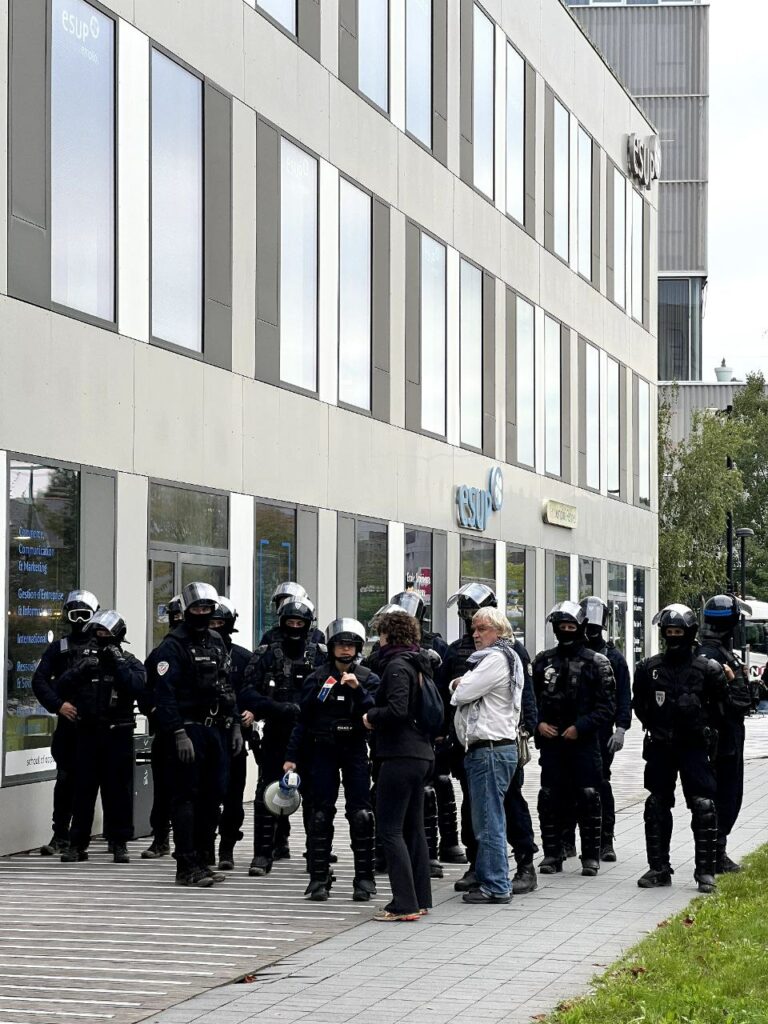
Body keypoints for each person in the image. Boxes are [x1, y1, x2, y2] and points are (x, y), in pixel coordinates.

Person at [151, 582, 241, 888]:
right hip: (188, 728)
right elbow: (164, 694)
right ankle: (186, 865)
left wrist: (235, 724)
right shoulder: (172, 646)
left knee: (213, 797)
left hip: (216, 729)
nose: (203, 613)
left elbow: (227, 684)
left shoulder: (216, 641)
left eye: (207, 608)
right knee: (185, 796)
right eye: (197, 608)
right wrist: (178, 732)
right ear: (186, 611)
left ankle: (203, 860)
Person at [633, 604, 728, 894]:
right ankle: (659, 868)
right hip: (661, 745)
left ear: (690, 632)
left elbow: (721, 708)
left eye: (678, 631)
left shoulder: (708, 669)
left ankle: (705, 871)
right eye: (669, 631)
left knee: (703, 806)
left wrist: (703, 729)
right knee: (656, 804)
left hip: (694, 746)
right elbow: (641, 705)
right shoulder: (649, 668)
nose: (674, 636)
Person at [284, 618, 379, 902]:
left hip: (355, 750)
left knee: (361, 814)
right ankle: (318, 877)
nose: (345, 650)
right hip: (322, 750)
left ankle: (364, 878)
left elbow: (376, 713)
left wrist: (357, 689)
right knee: (320, 814)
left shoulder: (368, 678)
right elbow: (303, 719)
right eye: (341, 644)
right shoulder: (316, 678)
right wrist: (291, 757)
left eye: (351, 645)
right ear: (332, 647)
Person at [241, 596, 326, 876]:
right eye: (290, 622)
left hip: (312, 735)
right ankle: (263, 854)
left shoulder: (320, 654)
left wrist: (309, 710)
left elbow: (334, 687)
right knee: (267, 792)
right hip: (277, 731)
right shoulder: (267, 653)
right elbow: (247, 691)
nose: (295, 627)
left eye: (300, 623)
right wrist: (275, 707)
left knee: (315, 796)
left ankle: (317, 854)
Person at [532, 602, 616, 877]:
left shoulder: (597, 662)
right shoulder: (543, 661)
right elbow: (530, 701)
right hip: (552, 743)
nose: (566, 631)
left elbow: (607, 707)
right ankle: (552, 854)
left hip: (584, 743)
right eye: (562, 627)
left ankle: (590, 856)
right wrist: (538, 724)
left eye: (571, 626)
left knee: (589, 796)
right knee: (549, 797)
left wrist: (580, 727)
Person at [57, 610, 146, 863]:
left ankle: (119, 843)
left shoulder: (129, 661)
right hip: (87, 732)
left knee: (118, 790)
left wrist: (118, 663)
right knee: (83, 790)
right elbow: (61, 687)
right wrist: (80, 669)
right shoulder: (85, 661)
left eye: (106, 631)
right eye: (98, 631)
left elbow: (137, 687)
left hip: (118, 733)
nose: (101, 635)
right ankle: (77, 844)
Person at [449, 608, 524, 904]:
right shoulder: (502, 656)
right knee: (488, 818)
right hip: (493, 750)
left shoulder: (495, 659)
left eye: (482, 629)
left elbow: (461, 693)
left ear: (499, 631)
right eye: (473, 629)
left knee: (488, 820)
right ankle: (489, 878)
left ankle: (495, 885)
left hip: (490, 750)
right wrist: (460, 684)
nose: (475, 634)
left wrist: (458, 684)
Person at [364, 611, 434, 922]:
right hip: (421, 754)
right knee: (413, 828)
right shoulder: (419, 662)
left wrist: (370, 717)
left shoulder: (396, 666)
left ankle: (403, 903)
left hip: (399, 755)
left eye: (380, 635)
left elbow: (397, 709)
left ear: (388, 635)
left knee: (390, 829)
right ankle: (420, 898)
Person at [561, 597, 632, 862]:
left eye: (594, 628)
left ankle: (604, 840)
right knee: (567, 784)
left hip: (600, 731)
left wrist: (621, 728)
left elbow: (623, 696)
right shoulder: (568, 654)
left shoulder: (613, 658)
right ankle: (567, 840)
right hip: (570, 729)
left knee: (599, 784)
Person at [32, 589, 100, 856]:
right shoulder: (58, 648)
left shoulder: (106, 644)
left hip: (98, 725)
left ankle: (109, 839)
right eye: (74, 615)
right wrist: (58, 705)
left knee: (102, 782)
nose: (80, 620)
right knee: (65, 780)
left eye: (84, 614)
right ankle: (60, 834)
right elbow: (39, 680)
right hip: (69, 725)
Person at [439, 584, 498, 889]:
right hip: (463, 739)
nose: (473, 626)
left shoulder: (508, 651)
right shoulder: (454, 650)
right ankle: (475, 863)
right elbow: (442, 694)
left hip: (497, 739)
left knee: (504, 804)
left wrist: (526, 729)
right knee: (470, 803)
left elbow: (524, 697)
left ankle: (521, 861)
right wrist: (442, 733)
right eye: (468, 616)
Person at [698, 594, 755, 873]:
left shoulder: (703, 653)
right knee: (727, 796)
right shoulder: (719, 658)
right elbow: (740, 703)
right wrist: (738, 681)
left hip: (714, 737)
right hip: (724, 738)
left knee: (716, 796)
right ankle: (716, 852)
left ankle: (713, 852)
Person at [208, 597, 253, 871]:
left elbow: (254, 691)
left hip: (235, 736)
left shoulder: (244, 658)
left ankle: (227, 848)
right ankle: (205, 848)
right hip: (205, 734)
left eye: (219, 622)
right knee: (207, 796)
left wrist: (252, 712)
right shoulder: (189, 652)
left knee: (234, 798)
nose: (214, 627)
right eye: (210, 622)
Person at [140, 594, 184, 860]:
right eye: (174, 618)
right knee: (163, 789)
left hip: (194, 729)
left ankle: (193, 845)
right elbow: (145, 690)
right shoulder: (161, 653)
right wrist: (155, 711)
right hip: (166, 732)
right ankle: (160, 839)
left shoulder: (209, 648)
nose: (177, 622)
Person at [259, 582, 326, 647]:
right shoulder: (270, 636)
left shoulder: (316, 637)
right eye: (282, 603)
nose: (285, 606)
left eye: (289, 602)